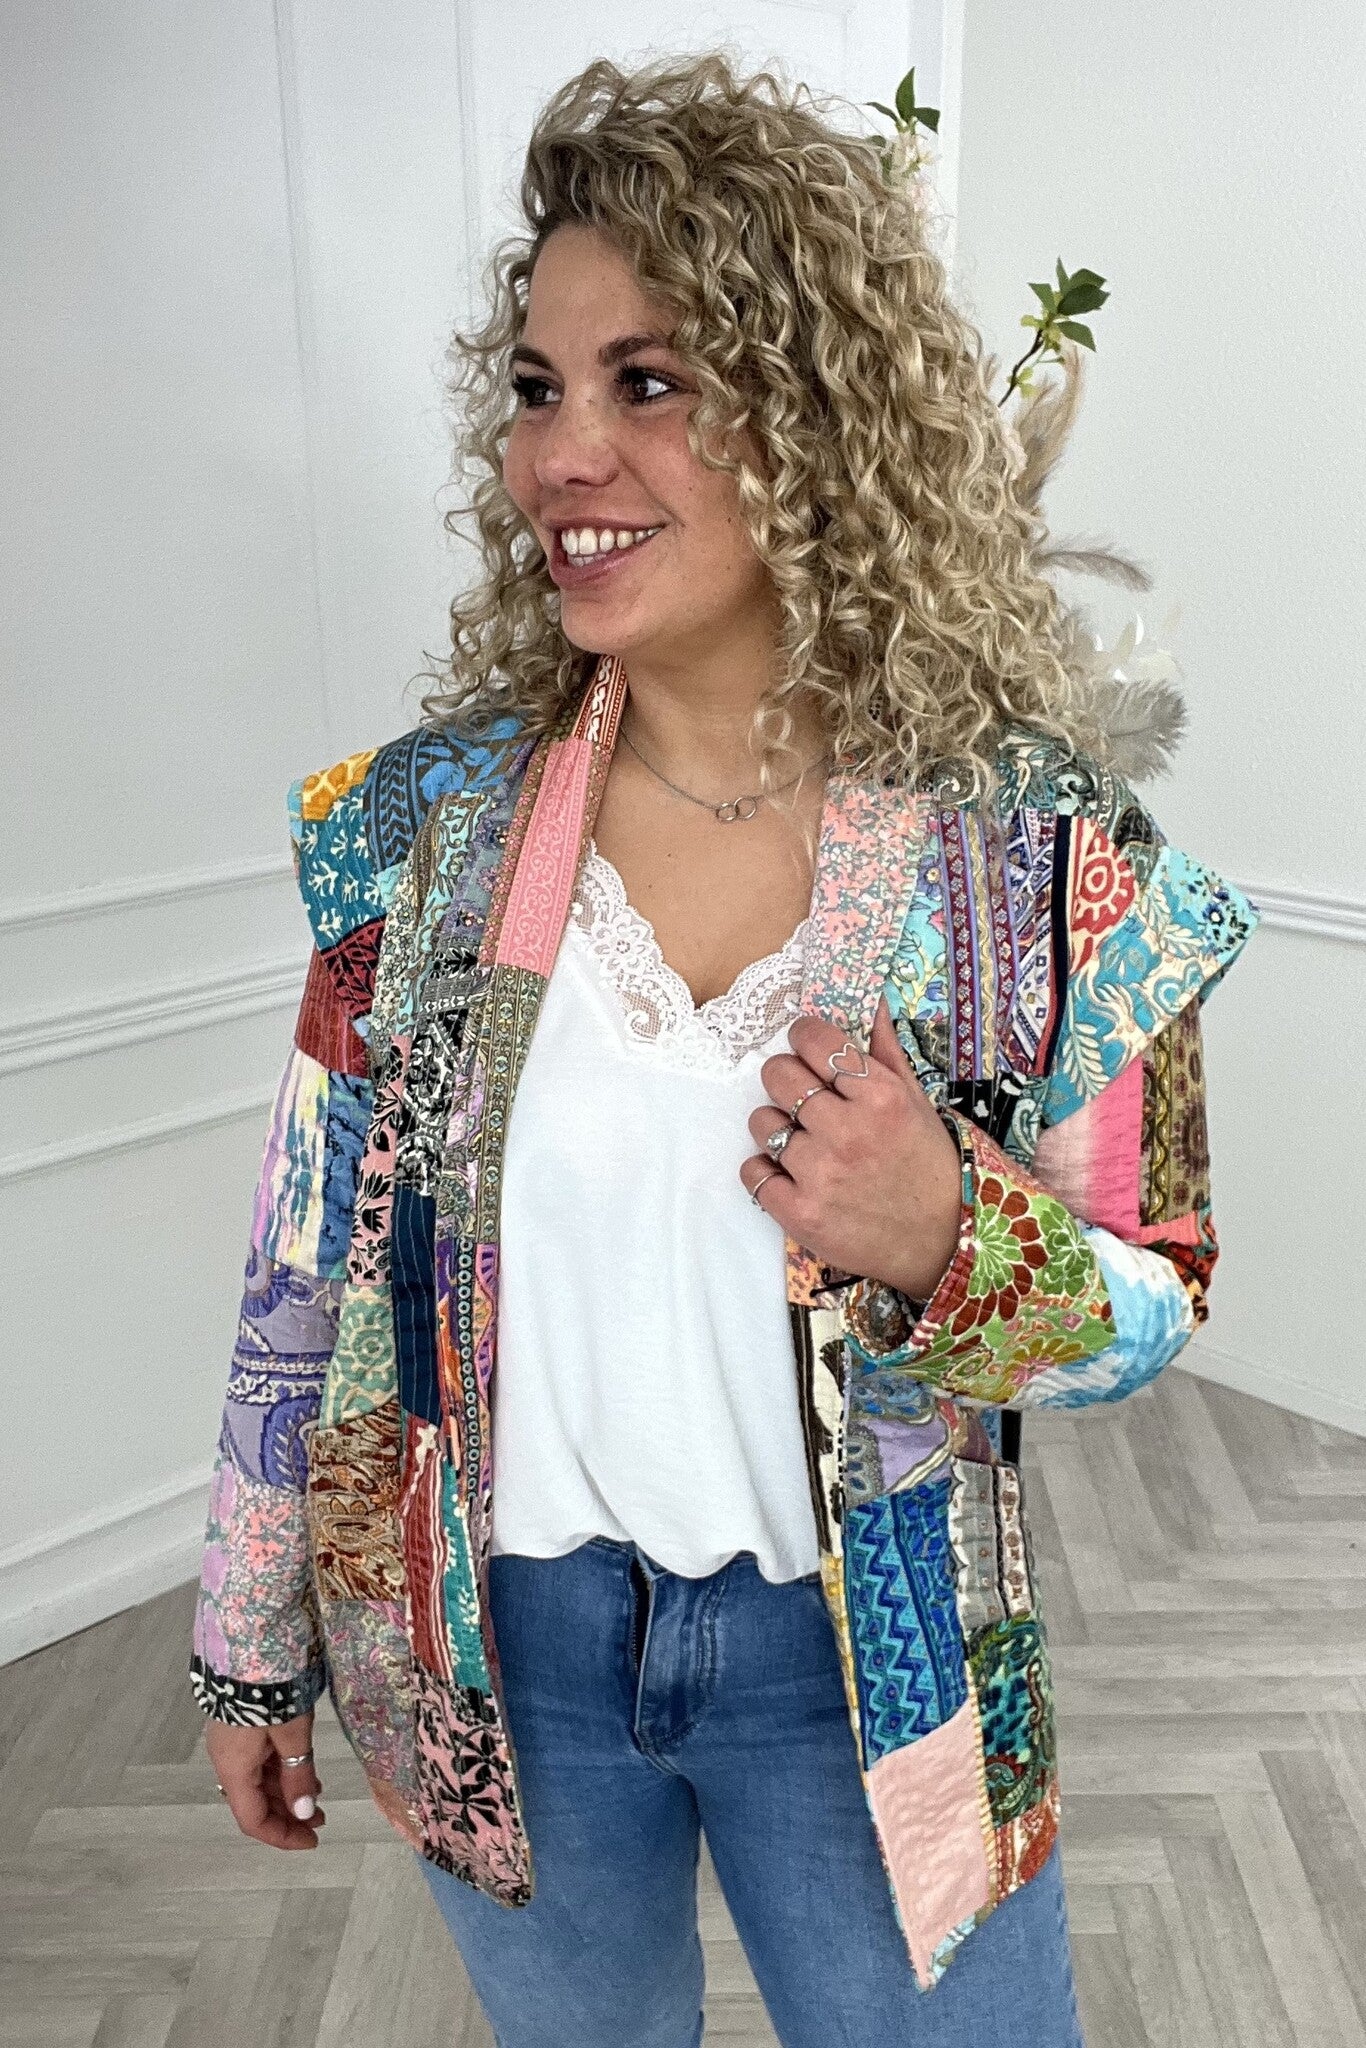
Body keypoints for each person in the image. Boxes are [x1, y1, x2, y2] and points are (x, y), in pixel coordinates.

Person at [191, 51, 1257, 2048]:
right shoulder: (422, 836)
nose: (563, 454)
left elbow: (1157, 1297)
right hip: (497, 1642)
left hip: (869, 1671)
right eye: (538, 388)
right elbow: (305, 1262)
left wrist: (952, 1238)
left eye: (650, 380)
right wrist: (250, 1639)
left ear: (818, 416)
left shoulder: (1036, 860)